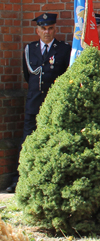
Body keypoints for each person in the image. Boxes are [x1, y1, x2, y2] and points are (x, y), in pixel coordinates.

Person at [8, 13, 71, 193]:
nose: (47, 32)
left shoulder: (63, 49)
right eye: (43, 28)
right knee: (27, 141)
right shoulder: (30, 49)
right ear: (37, 30)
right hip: (34, 104)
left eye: (50, 28)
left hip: (54, 105)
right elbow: (29, 76)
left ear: (55, 29)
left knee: (54, 140)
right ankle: (20, 179)